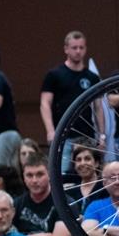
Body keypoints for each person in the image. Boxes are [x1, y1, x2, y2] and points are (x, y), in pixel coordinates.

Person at [40, 30, 102, 170]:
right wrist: (50, 131)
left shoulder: (92, 77)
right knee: (60, 174)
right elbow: (45, 103)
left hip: (87, 135)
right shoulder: (54, 75)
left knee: (90, 174)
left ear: (85, 49)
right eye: (74, 48)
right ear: (66, 49)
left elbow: (98, 107)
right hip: (63, 136)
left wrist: (102, 134)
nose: (78, 51)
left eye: (81, 47)